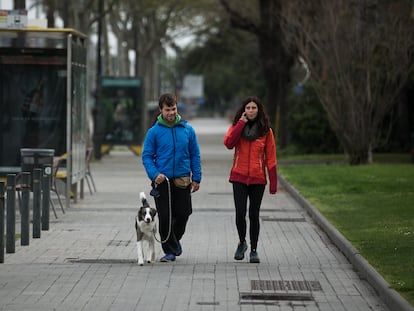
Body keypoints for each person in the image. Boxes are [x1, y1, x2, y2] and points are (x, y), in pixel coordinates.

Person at [142, 93, 202, 262]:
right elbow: (147, 156)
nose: (171, 113)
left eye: (173, 109)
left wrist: (196, 177)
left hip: (183, 179)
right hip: (162, 181)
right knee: (165, 216)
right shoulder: (154, 132)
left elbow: (195, 154)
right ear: (161, 110)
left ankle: (174, 240)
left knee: (184, 213)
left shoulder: (187, 129)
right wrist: (155, 174)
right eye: (167, 110)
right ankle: (169, 251)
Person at [224, 96, 277, 263]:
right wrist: (240, 124)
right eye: (248, 108)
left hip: (257, 179)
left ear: (259, 110)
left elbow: (271, 158)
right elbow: (229, 143)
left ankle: (254, 250)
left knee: (254, 214)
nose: (251, 110)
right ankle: (242, 243)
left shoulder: (266, 131)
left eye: (254, 108)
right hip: (238, 177)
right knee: (240, 214)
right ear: (244, 110)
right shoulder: (236, 127)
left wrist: (273, 182)